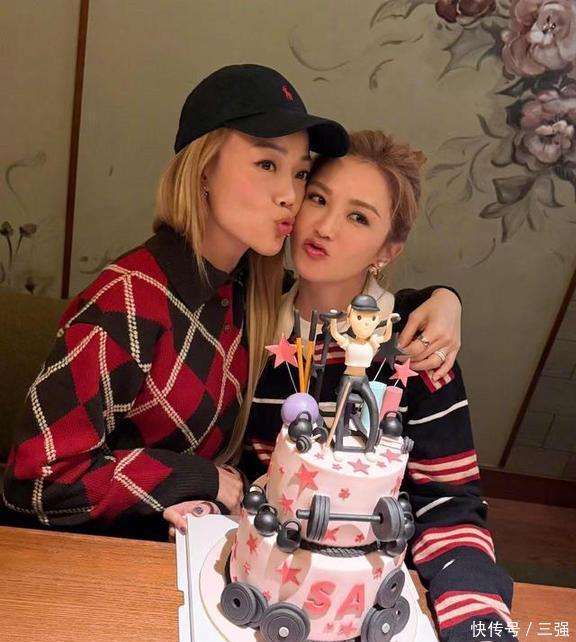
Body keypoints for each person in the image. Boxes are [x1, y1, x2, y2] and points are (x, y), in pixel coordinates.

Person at [2, 65, 458, 541]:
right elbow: (36, 481)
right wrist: (200, 479)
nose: (290, 195)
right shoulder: (127, 300)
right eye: (267, 165)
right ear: (204, 167)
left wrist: (439, 300)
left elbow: (342, 292)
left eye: (301, 173)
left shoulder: (251, 289)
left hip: (196, 549)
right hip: (84, 555)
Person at [233, 131, 514, 641]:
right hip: (251, 579)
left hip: (363, 601)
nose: (324, 226)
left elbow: (449, 506)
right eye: (318, 199)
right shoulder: (246, 321)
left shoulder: (416, 346)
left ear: (388, 249)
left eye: (359, 217)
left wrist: (480, 626)